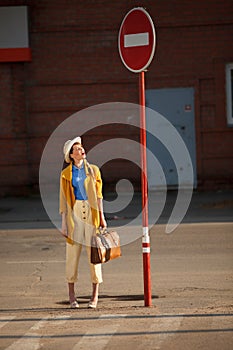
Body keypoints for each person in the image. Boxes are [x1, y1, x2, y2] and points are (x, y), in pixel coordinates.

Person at [59, 136, 107, 309]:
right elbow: (63, 200)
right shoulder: (65, 174)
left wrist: (102, 217)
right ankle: (72, 296)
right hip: (74, 214)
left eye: (81, 148)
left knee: (94, 256)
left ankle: (94, 297)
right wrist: (64, 223)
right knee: (72, 255)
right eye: (77, 149)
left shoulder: (93, 170)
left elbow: (100, 196)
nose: (81, 150)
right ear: (71, 155)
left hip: (92, 214)